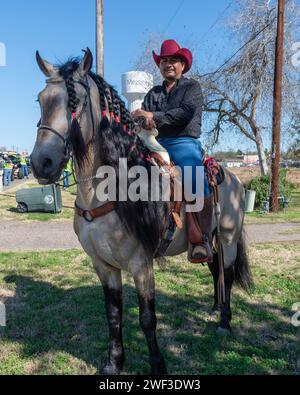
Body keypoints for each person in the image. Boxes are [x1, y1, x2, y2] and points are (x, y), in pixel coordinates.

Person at [131, 39, 213, 263]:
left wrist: (152, 117)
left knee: (194, 177)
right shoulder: (153, 93)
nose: (168, 64)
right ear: (159, 66)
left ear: (183, 65)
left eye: (174, 60)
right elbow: (146, 117)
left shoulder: (191, 88)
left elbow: (184, 113)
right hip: (154, 141)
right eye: (164, 60)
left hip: (183, 141)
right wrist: (141, 120)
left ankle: (202, 239)